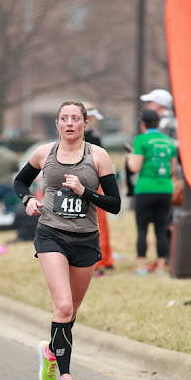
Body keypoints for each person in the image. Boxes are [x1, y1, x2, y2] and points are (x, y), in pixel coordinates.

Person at [14, 101, 121, 380]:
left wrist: (84, 192)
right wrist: (27, 200)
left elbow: (115, 204)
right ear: (57, 124)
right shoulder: (43, 153)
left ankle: (51, 351)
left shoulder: (98, 156)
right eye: (64, 118)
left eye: (76, 118)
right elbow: (20, 181)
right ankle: (66, 379)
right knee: (62, 308)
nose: (70, 123)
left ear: (85, 124)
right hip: (51, 234)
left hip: (85, 240)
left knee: (70, 312)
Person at [126, 109, 177, 276]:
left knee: (142, 229)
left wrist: (130, 157)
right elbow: (172, 169)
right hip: (165, 189)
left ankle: (142, 267)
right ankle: (161, 267)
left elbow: (135, 167)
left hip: (145, 189)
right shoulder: (169, 141)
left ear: (142, 123)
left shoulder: (140, 140)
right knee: (160, 229)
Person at [85, 106, 114, 275]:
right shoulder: (93, 138)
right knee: (97, 223)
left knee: (98, 223)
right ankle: (99, 260)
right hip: (94, 183)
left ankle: (104, 259)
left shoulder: (74, 139)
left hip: (90, 183)